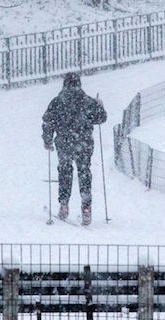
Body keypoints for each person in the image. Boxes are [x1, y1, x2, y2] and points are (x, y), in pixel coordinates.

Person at [42, 72, 106, 225]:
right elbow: (100, 118)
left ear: (64, 84)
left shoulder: (57, 102)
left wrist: (48, 140)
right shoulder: (87, 101)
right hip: (83, 143)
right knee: (84, 172)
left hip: (64, 142)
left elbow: (48, 122)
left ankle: (64, 203)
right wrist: (99, 105)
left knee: (65, 171)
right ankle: (86, 208)